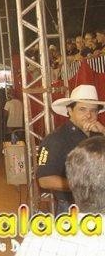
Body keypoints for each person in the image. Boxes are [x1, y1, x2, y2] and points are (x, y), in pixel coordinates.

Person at [17, 136, 105, 255]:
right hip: (68, 205)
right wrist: (80, 185)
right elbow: (44, 179)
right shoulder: (54, 139)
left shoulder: (38, 240)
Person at [36, 84, 105, 213]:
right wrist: (85, 187)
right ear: (70, 110)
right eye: (82, 109)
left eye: (93, 111)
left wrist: (103, 131)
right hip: (71, 207)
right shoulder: (55, 139)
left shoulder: (99, 134)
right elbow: (44, 180)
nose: (89, 115)